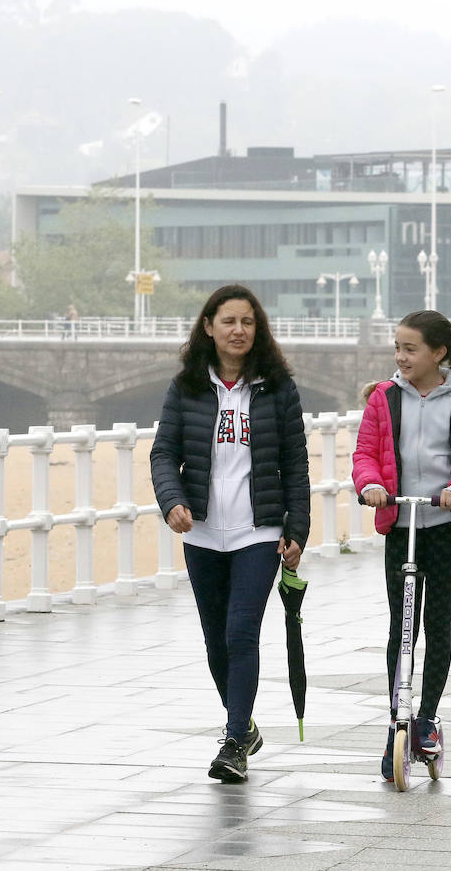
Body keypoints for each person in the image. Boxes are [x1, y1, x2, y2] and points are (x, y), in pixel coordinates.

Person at [150, 284, 310, 783]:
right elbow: (162, 453)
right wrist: (172, 500)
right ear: (209, 327)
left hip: (257, 532)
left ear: (257, 329)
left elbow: (295, 465)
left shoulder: (277, 388)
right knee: (216, 641)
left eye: (247, 322)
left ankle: (235, 739)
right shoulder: (188, 387)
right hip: (201, 533)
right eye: (228, 322)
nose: (238, 330)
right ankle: (244, 726)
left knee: (241, 633)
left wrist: (296, 529)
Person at [351, 309, 451, 782]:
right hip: (401, 524)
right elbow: (364, 454)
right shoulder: (383, 399)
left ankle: (427, 718)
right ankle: (398, 717)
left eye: (410, 348)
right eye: (397, 347)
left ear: (439, 352)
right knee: (402, 624)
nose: (401, 356)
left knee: (437, 620)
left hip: (445, 526)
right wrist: (370, 484)